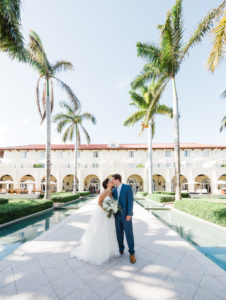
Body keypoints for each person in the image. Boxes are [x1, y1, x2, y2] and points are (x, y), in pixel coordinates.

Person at [70, 178, 119, 265]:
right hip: (102, 213)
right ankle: (98, 251)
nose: (112, 182)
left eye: (112, 181)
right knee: (101, 230)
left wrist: (112, 209)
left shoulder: (111, 192)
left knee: (108, 231)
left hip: (109, 215)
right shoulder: (104, 192)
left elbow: (112, 202)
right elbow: (99, 202)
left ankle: (108, 250)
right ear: (107, 184)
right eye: (110, 181)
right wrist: (106, 209)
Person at [111, 174, 136, 264]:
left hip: (126, 215)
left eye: (113, 180)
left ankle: (132, 253)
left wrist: (129, 214)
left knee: (129, 233)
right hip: (117, 215)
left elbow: (130, 201)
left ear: (117, 180)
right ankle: (121, 249)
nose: (112, 181)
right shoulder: (113, 190)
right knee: (119, 233)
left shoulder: (127, 187)